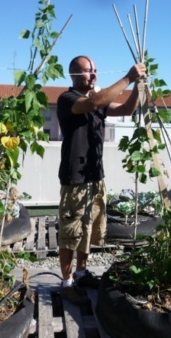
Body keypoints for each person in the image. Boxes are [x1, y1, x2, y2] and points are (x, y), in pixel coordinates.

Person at [56, 55, 146, 304]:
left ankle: (82, 273)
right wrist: (128, 77)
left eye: (95, 70)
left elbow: (127, 109)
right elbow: (94, 102)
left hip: (96, 175)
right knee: (71, 232)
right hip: (75, 178)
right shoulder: (68, 99)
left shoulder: (98, 100)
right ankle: (66, 283)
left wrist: (139, 87)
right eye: (87, 71)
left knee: (89, 229)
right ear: (73, 74)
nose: (93, 74)